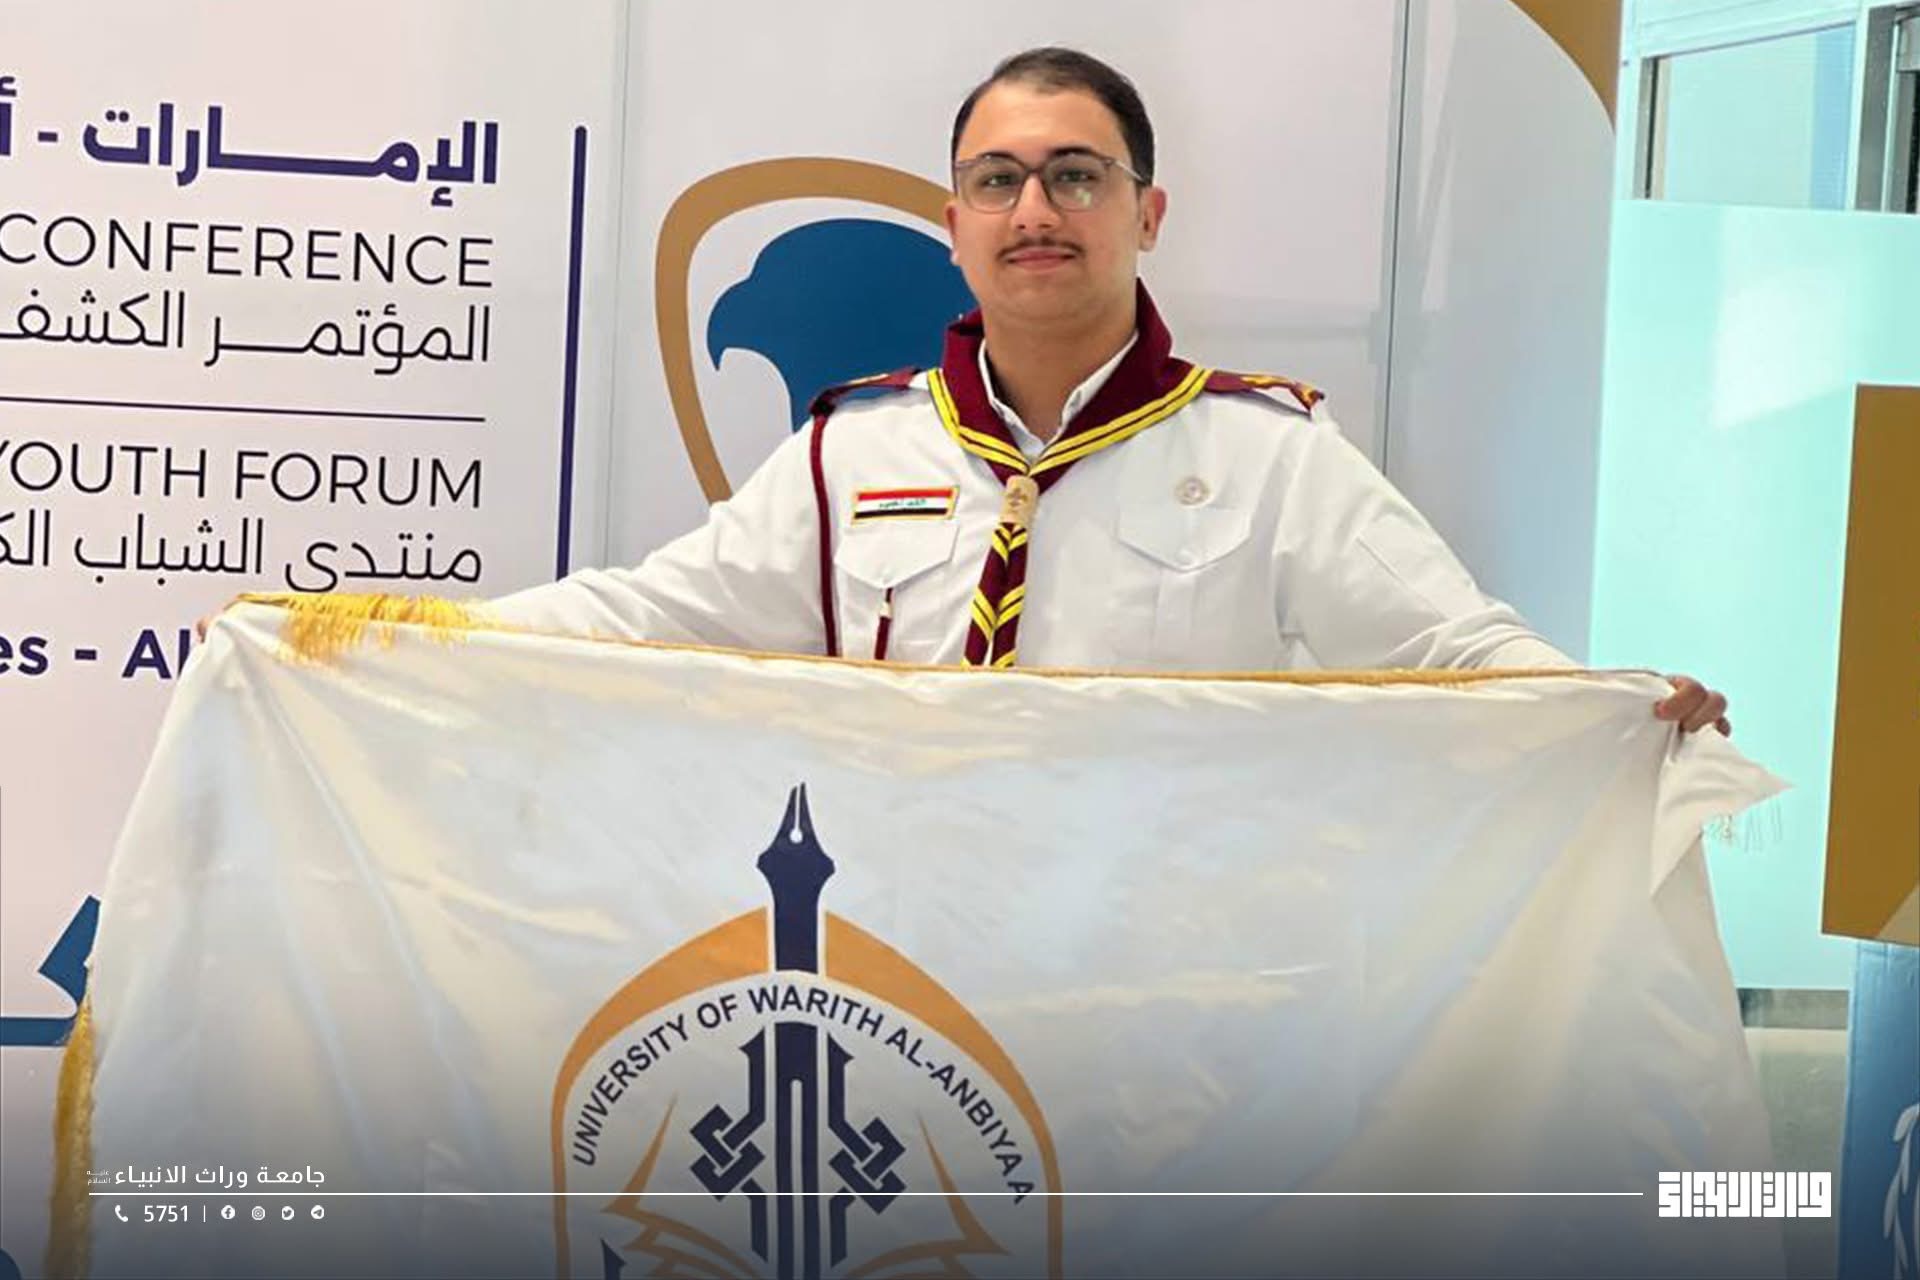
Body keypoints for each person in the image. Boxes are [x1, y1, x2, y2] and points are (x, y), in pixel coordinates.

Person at [443, 49, 1735, 730]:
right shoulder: (854, 453)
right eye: (997, 181)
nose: (1035, 211)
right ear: (955, 225)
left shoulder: (1270, 455)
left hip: (1160, 976)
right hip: (902, 955)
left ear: (1147, 213)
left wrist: (1612, 713)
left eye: (1077, 175)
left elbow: (1448, 649)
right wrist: (404, 641)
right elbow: (649, 613)